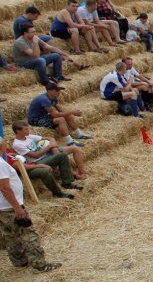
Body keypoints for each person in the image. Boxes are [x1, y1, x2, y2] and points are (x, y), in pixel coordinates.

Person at [0, 140, 60, 272]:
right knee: (28, 233)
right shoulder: (0, 164)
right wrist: (17, 207)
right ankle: (39, 264)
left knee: (10, 234)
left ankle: (20, 262)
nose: (6, 144)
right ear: (1, 147)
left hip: (2, 208)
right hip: (9, 206)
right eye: (4, 143)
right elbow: (5, 188)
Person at [11, 121, 88, 181]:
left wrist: (52, 142)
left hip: (47, 153)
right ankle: (75, 175)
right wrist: (49, 146)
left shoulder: (28, 136)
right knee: (59, 155)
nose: (29, 130)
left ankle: (82, 172)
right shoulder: (17, 144)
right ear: (18, 131)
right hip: (39, 160)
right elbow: (36, 155)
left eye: (28, 128)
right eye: (26, 129)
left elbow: (48, 138)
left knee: (75, 149)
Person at [27, 81, 90, 145]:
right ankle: (70, 141)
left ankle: (80, 134)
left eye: (59, 90)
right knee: (61, 120)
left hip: (44, 116)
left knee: (68, 115)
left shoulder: (54, 97)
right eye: (56, 90)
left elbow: (61, 110)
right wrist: (72, 112)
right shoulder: (44, 99)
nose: (59, 92)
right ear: (49, 91)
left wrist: (70, 113)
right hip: (35, 119)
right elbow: (54, 114)